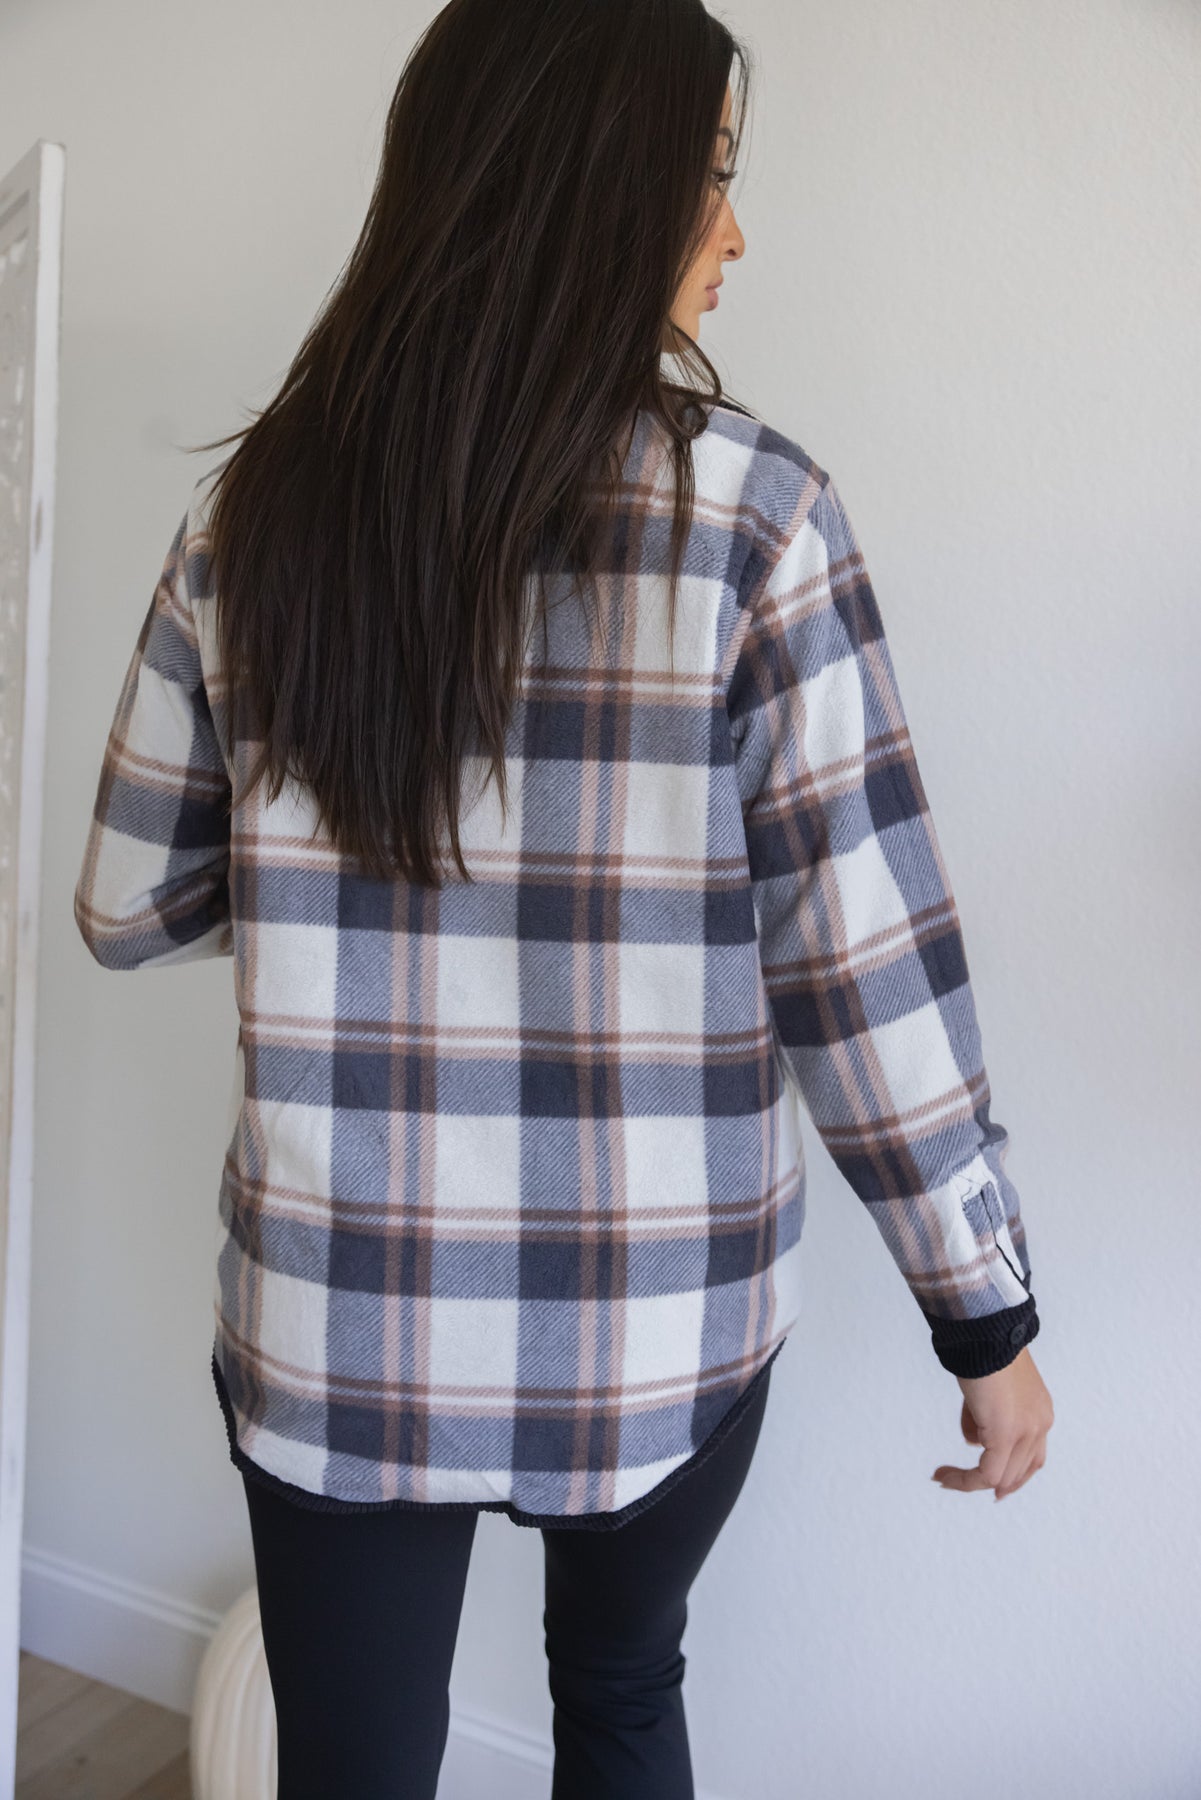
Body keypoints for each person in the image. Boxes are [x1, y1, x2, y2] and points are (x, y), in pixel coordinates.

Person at [72, 1, 1054, 1794]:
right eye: (706, 178)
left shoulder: (253, 515)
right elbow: (860, 976)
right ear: (589, 191)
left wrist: (328, 884)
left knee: (352, 1765)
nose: (732, 230)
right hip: (652, 1328)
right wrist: (981, 1317)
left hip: (341, 1316)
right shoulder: (757, 521)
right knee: (616, 1689)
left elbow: (129, 904)